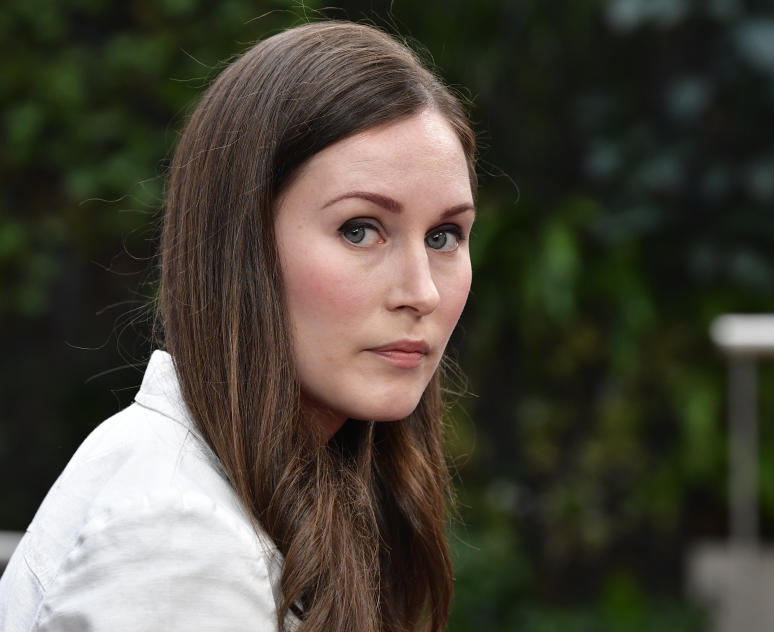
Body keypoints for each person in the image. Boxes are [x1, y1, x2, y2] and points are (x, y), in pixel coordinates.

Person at [0, 20, 476, 632]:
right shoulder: (181, 539)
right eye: (359, 228)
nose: (422, 291)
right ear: (240, 244)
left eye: (444, 236)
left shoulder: (240, 488)